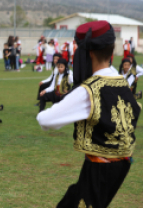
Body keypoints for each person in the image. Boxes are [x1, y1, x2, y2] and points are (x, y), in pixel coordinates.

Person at [37, 20, 141, 208]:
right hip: (121, 163)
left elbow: (46, 120)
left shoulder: (88, 90)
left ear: (88, 53)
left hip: (99, 167)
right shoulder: (122, 82)